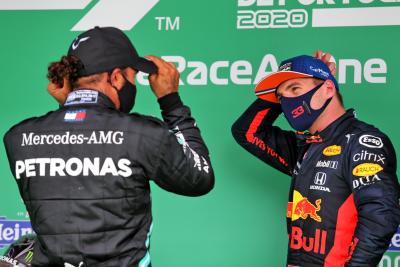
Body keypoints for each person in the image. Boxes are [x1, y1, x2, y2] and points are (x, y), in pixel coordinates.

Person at [3, 26, 214, 267]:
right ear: (115, 77)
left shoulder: (19, 137)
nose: (134, 84)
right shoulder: (142, 133)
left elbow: (75, 143)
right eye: (133, 76)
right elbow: (200, 177)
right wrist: (171, 101)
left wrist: (71, 109)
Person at [231, 53, 400, 266]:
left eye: (295, 89)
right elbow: (246, 132)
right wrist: (282, 94)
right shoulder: (304, 146)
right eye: (281, 97)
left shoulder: (361, 142)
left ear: (328, 89)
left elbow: (381, 218)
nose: (287, 103)